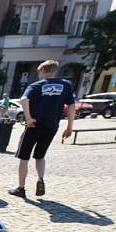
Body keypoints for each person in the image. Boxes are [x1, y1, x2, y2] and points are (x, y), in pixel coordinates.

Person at [8, 60, 75, 198]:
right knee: (40, 155)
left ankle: (21, 187)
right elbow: (72, 106)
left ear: (43, 70)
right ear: (54, 70)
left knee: (24, 156)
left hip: (35, 125)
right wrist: (70, 127)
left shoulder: (37, 85)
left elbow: (24, 99)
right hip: (52, 126)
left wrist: (28, 118)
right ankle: (40, 179)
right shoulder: (66, 85)